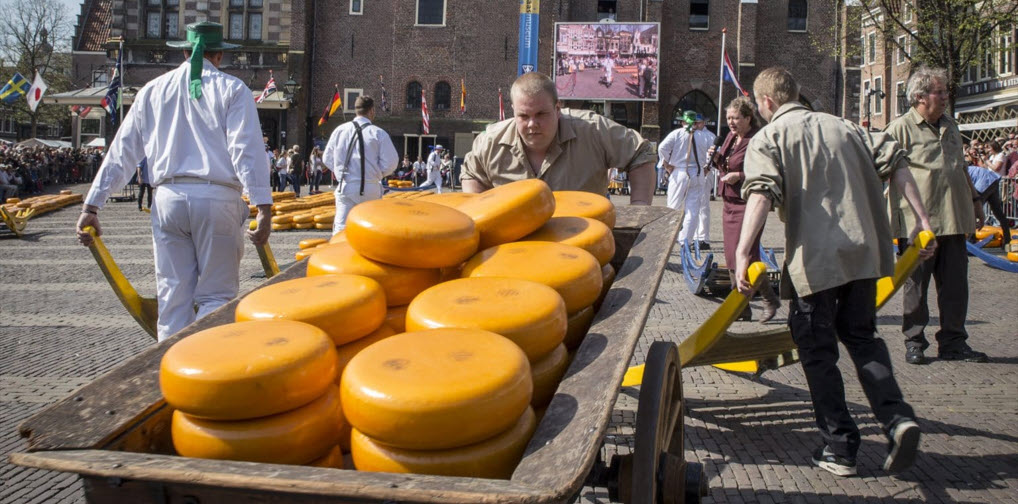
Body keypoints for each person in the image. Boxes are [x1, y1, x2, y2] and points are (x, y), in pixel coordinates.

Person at [734, 67, 935, 477]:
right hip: (864, 254)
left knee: (817, 349)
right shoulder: (847, 127)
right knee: (862, 337)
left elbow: (759, 193)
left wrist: (741, 251)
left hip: (816, 259)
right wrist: (922, 219)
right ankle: (897, 418)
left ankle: (840, 446)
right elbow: (896, 160)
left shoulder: (769, 137)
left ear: (767, 103)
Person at [75, 21, 272, 341]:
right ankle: (204, 374)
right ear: (219, 55)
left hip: (166, 198)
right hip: (217, 198)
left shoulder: (152, 90)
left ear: (184, 51)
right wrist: (263, 205)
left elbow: (122, 151)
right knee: (216, 297)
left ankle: (169, 372)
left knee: (172, 300)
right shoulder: (233, 89)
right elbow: (245, 150)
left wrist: (92, 204)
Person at [885, 66, 989, 365]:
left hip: (954, 217)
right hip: (919, 224)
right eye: (939, 92)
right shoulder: (899, 129)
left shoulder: (951, 125)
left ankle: (954, 342)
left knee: (956, 286)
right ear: (919, 97)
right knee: (916, 286)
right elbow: (882, 172)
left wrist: (976, 201)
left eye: (945, 91)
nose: (945, 97)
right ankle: (914, 341)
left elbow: (961, 167)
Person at [460, 72, 655, 202]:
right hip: (514, 248)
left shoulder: (593, 130)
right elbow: (471, 173)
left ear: (557, 109)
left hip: (584, 241)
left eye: (541, 114)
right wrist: (479, 214)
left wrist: (639, 210)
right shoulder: (490, 142)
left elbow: (641, 153)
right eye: (523, 116)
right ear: (513, 112)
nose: (532, 123)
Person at [712, 96, 779, 322]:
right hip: (729, 201)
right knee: (732, 255)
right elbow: (725, 163)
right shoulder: (731, 137)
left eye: (736, 118)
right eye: (728, 117)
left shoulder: (756, 140)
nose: (731, 122)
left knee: (747, 254)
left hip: (747, 203)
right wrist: (715, 157)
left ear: (748, 118)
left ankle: (763, 300)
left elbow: (765, 170)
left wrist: (739, 175)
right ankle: (744, 306)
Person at [322, 95, 398, 234]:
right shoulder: (378, 133)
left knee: (341, 229)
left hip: (345, 186)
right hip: (370, 187)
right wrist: (376, 174)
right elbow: (391, 162)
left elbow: (327, 158)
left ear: (356, 110)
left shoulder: (340, 130)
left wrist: (340, 171)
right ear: (371, 111)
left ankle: (340, 253)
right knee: (370, 227)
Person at [659, 110, 716, 248]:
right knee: (693, 209)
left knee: (673, 207)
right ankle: (686, 241)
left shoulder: (676, 134)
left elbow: (662, 148)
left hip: (679, 172)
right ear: (695, 122)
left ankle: (669, 239)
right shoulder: (704, 136)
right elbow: (715, 153)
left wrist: (666, 164)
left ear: (683, 122)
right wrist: (708, 168)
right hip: (697, 173)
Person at [967, 164, 1010, 249]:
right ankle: (1007, 239)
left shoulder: (957, 173)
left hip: (984, 180)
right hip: (992, 179)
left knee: (973, 209)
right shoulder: (962, 169)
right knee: (997, 211)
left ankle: (971, 240)